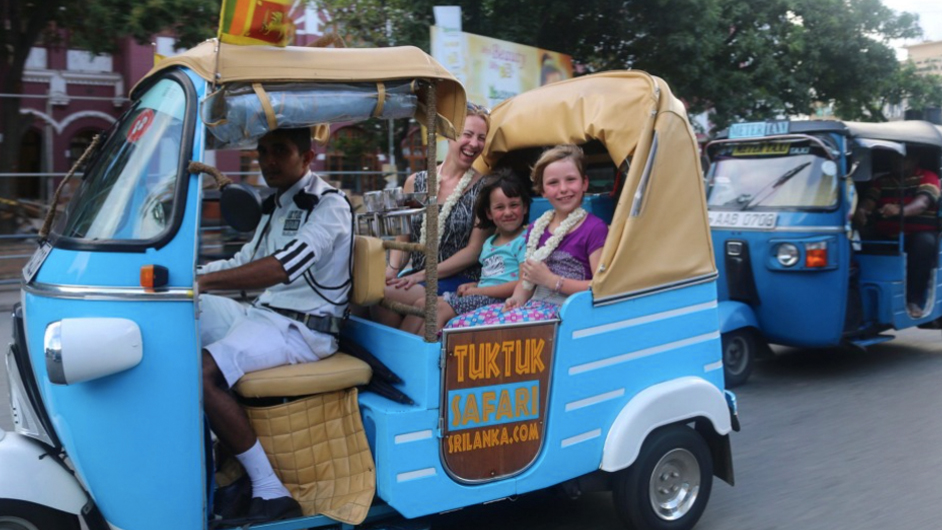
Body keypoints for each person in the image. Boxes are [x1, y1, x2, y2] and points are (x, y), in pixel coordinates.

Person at [198, 128, 353, 524]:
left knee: (203, 373)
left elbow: (283, 267)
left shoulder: (329, 205)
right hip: (266, 315)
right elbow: (241, 261)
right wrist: (187, 278)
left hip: (303, 329)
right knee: (182, 318)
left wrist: (204, 283)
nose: (267, 161)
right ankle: (221, 466)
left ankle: (270, 491)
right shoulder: (276, 206)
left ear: (307, 156)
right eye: (262, 152)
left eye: (279, 152)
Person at [448, 144, 608, 327]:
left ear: (584, 183)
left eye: (570, 180)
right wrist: (515, 300)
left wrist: (552, 281)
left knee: (498, 329)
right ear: (543, 190)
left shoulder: (595, 228)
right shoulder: (536, 228)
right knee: (459, 324)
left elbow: (599, 286)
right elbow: (526, 279)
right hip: (534, 305)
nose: (563, 189)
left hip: (567, 312)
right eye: (553, 183)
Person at [372, 102, 491, 327]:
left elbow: (473, 252)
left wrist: (421, 275)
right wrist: (392, 270)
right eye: (467, 134)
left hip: (460, 279)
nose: (474, 144)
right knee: (374, 290)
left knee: (387, 295)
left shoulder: (485, 188)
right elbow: (402, 240)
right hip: (417, 275)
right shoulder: (413, 182)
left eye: (481, 138)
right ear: (449, 134)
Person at [400, 169, 531, 334]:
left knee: (436, 309)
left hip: (500, 300)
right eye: (499, 207)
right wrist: (474, 285)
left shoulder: (526, 241)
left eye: (514, 205)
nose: (507, 212)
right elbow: (493, 277)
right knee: (422, 304)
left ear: (525, 207)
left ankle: (426, 355)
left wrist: (478, 290)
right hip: (482, 295)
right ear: (489, 213)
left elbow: (522, 284)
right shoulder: (490, 242)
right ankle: (402, 350)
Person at [855, 152, 940, 315]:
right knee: (859, 239)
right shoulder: (881, 182)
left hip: (918, 234)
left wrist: (900, 211)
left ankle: (913, 301)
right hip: (886, 233)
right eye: (894, 158)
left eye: (902, 158)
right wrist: (862, 211)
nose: (897, 162)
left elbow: (922, 203)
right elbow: (869, 200)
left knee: (925, 244)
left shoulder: (928, 177)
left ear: (915, 159)